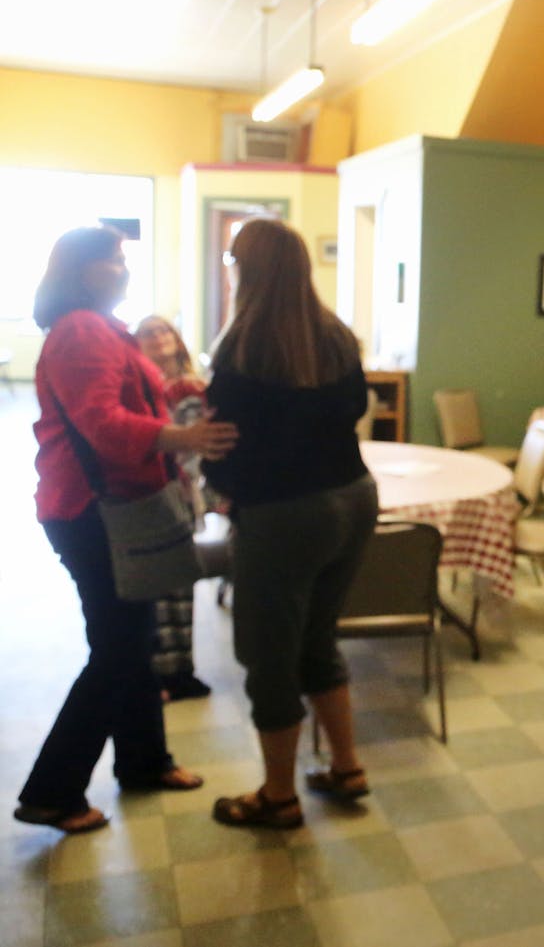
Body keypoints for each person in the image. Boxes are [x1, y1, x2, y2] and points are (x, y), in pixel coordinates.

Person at [16, 226, 238, 835]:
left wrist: (174, 403)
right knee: (116, 649)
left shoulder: (95, 326)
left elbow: (124, 399)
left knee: (132, 641)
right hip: (91, 511)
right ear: (90, 271)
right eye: (115, 260)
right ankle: (51, 791)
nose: (123, 268)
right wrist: (182, 437)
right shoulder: (83, 329)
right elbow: (104, 425)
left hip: (98, 506)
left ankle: (144, 761)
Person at [202, 218, 378, 829]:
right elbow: (354, 411)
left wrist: (218, 487)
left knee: (268, 656)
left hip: (283, 516)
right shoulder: (336, 336)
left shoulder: (240, 347)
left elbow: (222, 443)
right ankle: (347, 767)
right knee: (317, 638)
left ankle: (278, 796)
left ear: (244, 270)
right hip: (353, 499)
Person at [134, 314, 212, 700]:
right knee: (157, 590)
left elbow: (197, 448)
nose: (157, 337)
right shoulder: (134, 388)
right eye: (148, 333)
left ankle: (181, 671)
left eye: (163, 330)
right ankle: (160, 673)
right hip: (149, 497)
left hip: (180, 497)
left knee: (181, 588)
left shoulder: (192, 388)